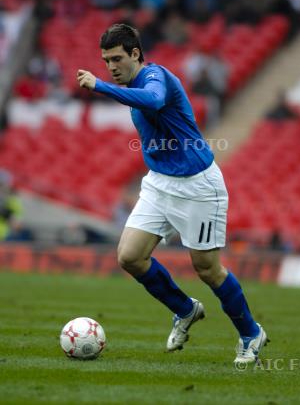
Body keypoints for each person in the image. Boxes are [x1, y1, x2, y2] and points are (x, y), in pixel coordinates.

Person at [77, 23, 268, 364]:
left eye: (117, 58)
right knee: (130, 257)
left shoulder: (155, 77)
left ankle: (251, 333)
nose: (111, 67)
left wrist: (100, 85)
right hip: (159, 183)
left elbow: (153, 100)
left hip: (198, 185)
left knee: (207, 269)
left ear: (136, 54)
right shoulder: (130, 84)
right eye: (106, 61)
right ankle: (185, 309)